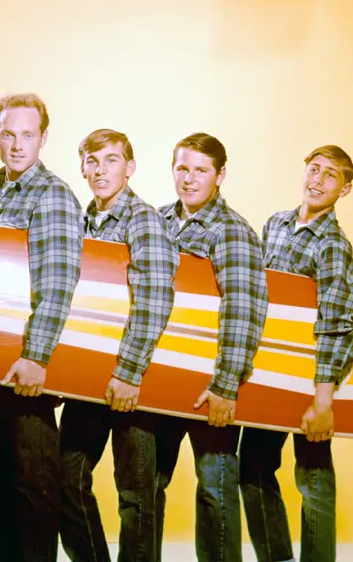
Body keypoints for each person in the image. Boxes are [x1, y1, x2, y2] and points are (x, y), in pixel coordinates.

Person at [0, 92, 84, 562]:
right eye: (8, 134)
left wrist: (36, 356)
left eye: (28, 135)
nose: (17, 145)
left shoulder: (52, 195)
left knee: (32, 486)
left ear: (44, 138)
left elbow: (58, 281)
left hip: (24, 365)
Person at [239, 145, 353, 562]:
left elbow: (337, 322)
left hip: (312, 377)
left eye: (330, 175)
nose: (317, 180)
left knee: (313, 478)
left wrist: (322, 400)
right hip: (270, 372)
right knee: (254, 468)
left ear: (344, 190)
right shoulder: (275, 224)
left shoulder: (332, 245)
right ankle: (276, 557)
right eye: (314, 169)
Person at [59, 128, 178, 562]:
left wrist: (128, 373)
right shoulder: (81, 221)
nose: (100, 170)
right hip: (89, 378)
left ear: (129, 167)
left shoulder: (143, 219)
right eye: (92, 162)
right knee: (65, 477)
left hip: (134, 378)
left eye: (111, 160)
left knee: (136, 494)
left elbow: (154, 297)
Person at [155, 132, 268, 562]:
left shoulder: (232, 231)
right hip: (162, 378)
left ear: (220, 176)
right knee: (147, 484)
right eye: (182, 168)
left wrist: (225, 385)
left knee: (216, 486)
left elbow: (243, 309)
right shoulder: (159, 219)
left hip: (209, 382)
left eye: (200, 170)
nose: (189, 178)